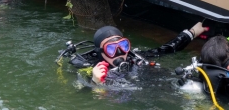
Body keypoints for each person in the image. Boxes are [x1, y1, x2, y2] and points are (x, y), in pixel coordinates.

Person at [59, 22, 205, 87]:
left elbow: (165, 49)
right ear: (100, 53)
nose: (119, 53)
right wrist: (94, 82)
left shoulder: (133, 57)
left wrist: (192, 32)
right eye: (111, 49)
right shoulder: (88, 68)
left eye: (123, 46)